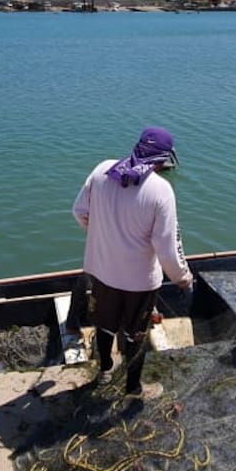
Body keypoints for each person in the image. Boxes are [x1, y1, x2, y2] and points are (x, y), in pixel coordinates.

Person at [73, 126, 193, 398]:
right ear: (163, 160)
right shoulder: (161, 191)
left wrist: (105, 239)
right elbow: (167, 249)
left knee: (104, 323)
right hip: (139, 282)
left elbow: (79, 212)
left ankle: (105, 370)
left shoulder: (102, 169)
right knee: (135, 333)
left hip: (102, 271)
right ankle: (133, 388)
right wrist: (183, 279)